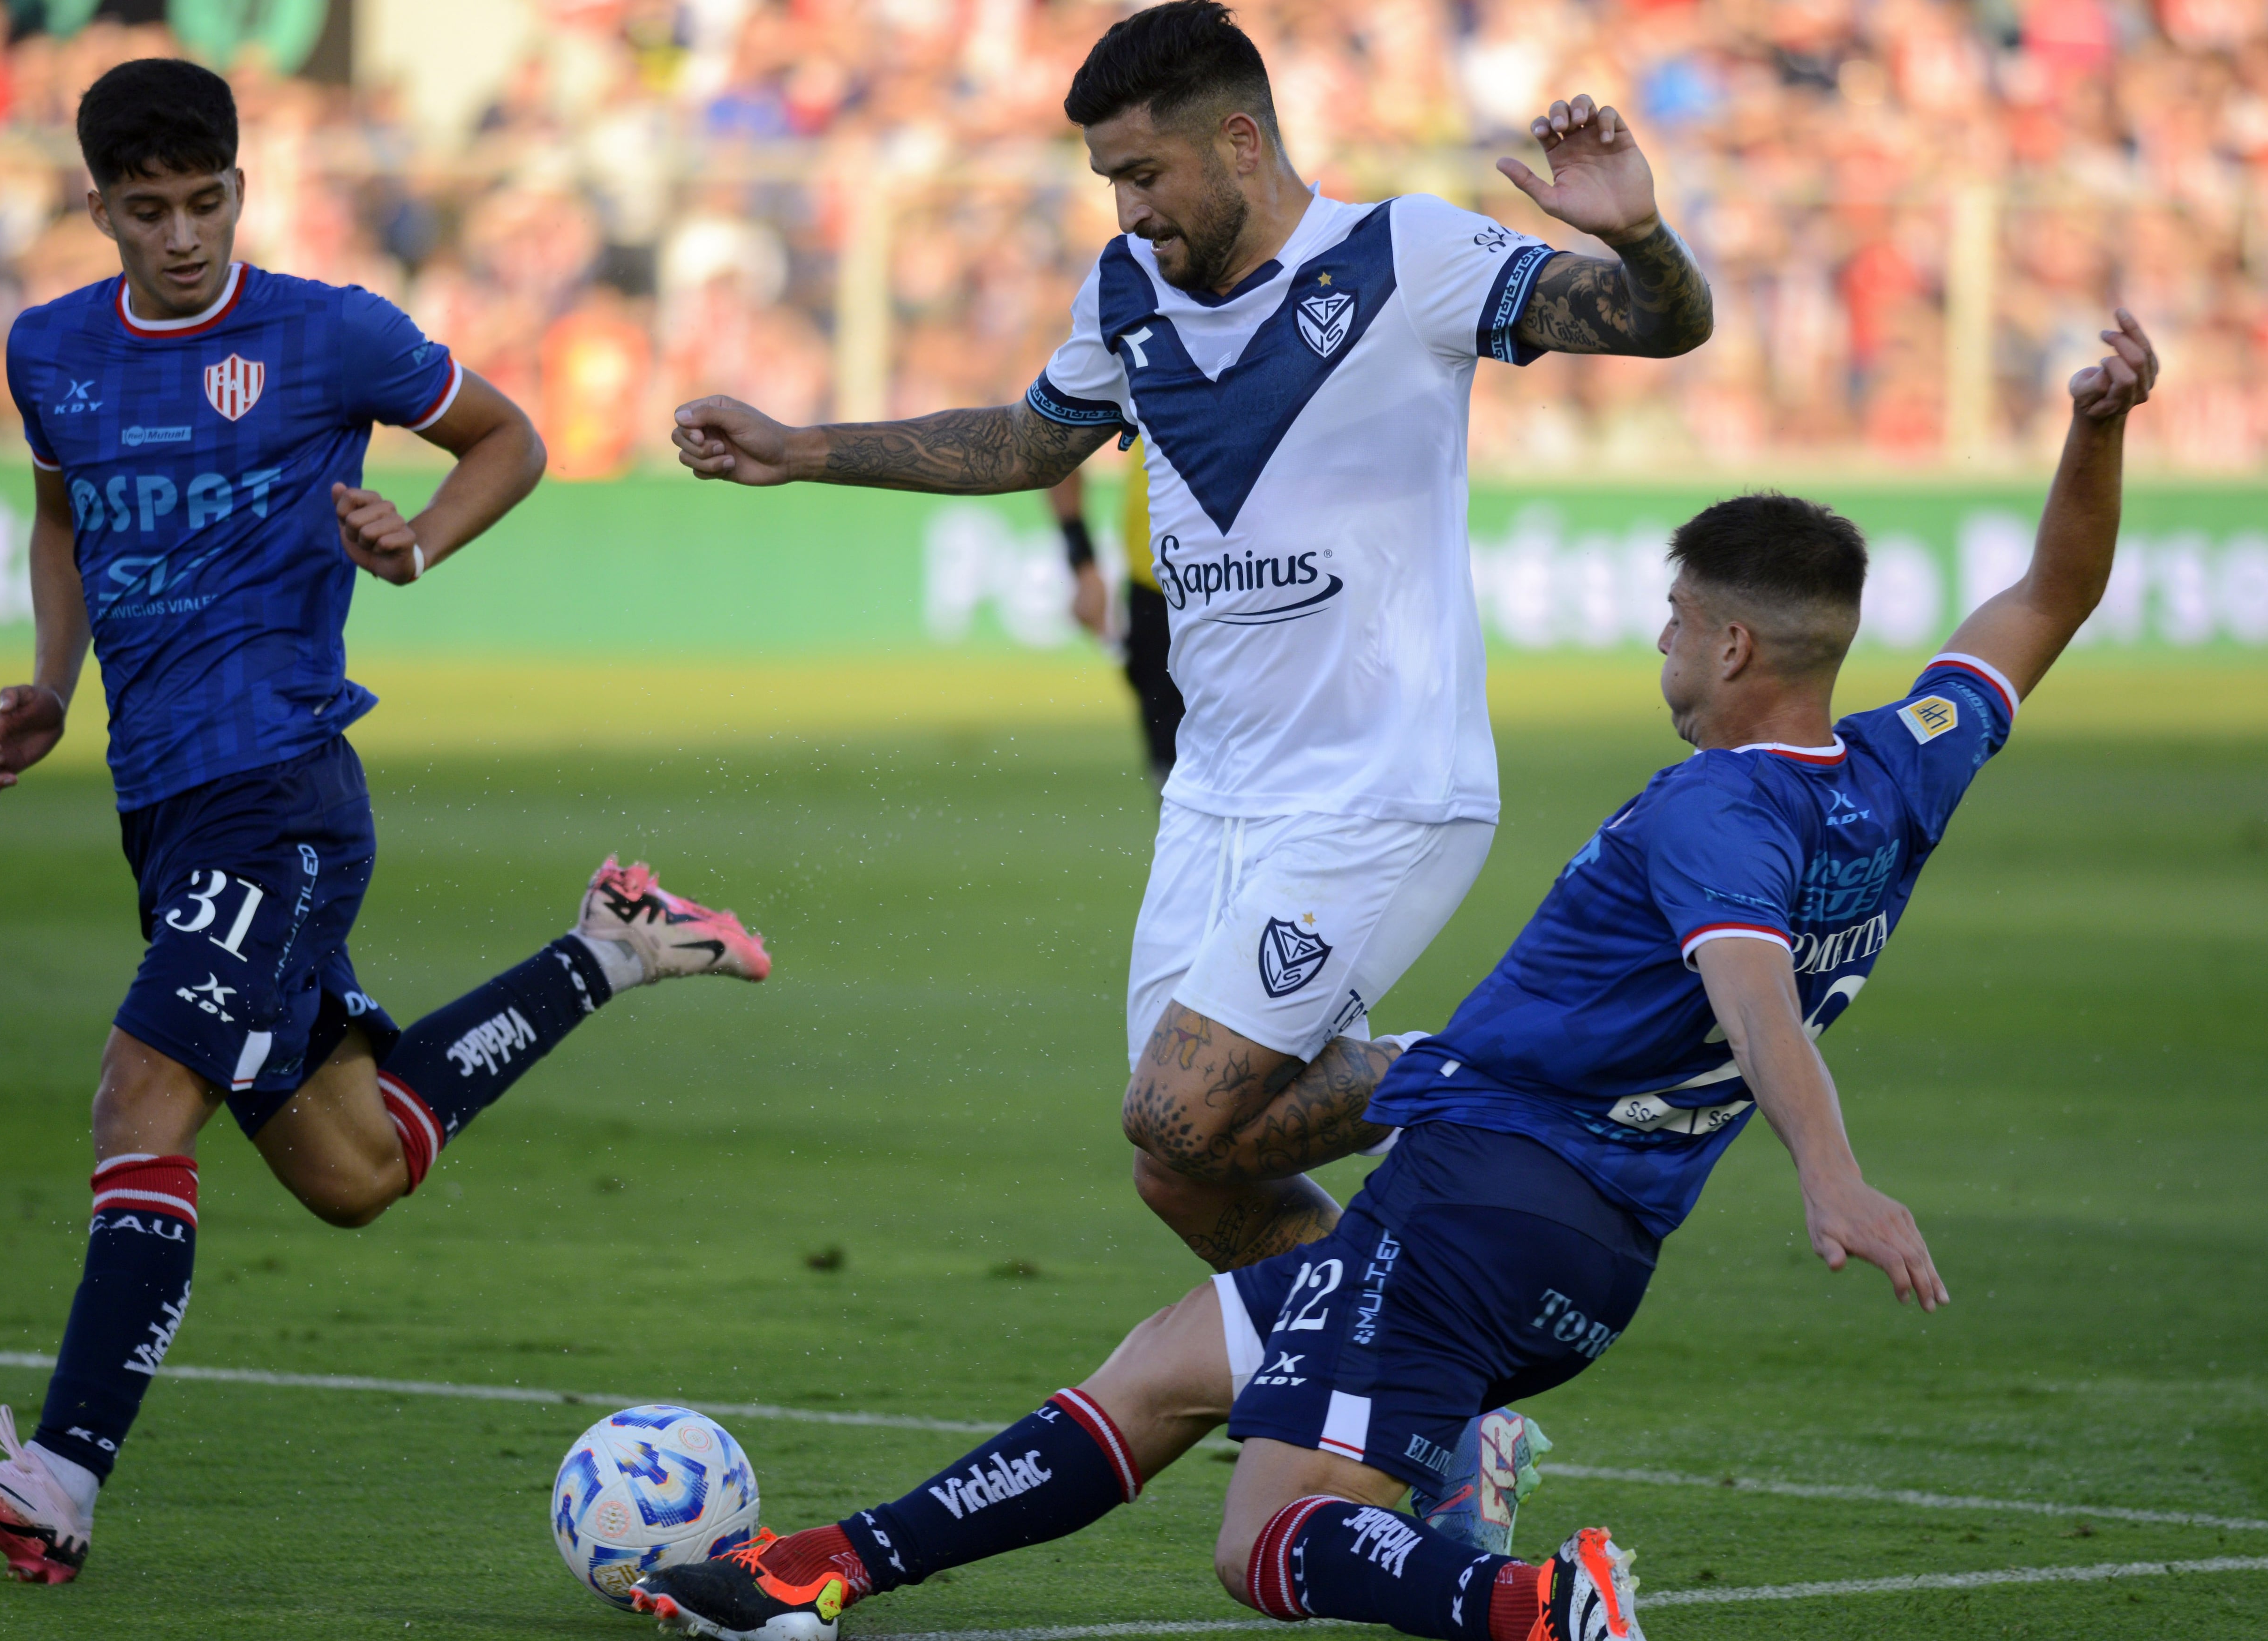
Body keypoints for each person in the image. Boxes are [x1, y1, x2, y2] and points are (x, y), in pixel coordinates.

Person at [621, 312, 2157, 1641]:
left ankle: (1542, 1606)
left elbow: (1753, 987)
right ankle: (816, 1575)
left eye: (1680, 619)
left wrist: (1836, 1174)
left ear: (1740, 644)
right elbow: (2050, 599)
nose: (1663, 642)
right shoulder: (1906, 765)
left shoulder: (1715, 808)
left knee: (1267, 1544)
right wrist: (2096, 433)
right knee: (1163, 1366)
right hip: (1579, 1228)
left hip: (1488, 1200)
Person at [670, 0, 1714, 1274]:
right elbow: (1024, 441)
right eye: (1109, 180)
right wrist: (802, 448)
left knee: (1179, 1108)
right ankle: (1426, 1412)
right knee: (1183, 1168)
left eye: (1144, 174)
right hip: (1215, 800)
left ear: (1238, 141)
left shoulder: (1408, 256)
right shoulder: (1125, 295)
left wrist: (1644, 238)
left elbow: (1661, 322)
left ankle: (1549, 1059)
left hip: (1381, 792)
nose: (1127, 211)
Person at [0, 59, 771, 1586]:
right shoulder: (52, 352)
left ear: (244, 189)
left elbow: (510, 438)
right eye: (149, 209)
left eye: (208, 202)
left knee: (138, 1105)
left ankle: (59, 1477)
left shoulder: (331, 335)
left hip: (281, 798)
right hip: (165, 813)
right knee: (351, 1171)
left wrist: (418, 542)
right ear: (99, 206)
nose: (184, 236)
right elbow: (60, 516)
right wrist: (51, 689)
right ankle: (605, 954)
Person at [1045, 443, 1187, 794]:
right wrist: (1083, 564)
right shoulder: (1132, 383)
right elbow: (1053, 442)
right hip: (1158, 598)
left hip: (1273, 595)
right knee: (1173, 781)